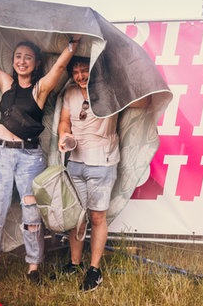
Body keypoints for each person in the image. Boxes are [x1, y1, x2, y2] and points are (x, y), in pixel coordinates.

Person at [0, 16, 80, 287]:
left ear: (36, 64)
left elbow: (60, 66)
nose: (21, 61)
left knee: (32, 214)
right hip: (0, 155)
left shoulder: (40, 89)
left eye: (27, 57)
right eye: (18, 56)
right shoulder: (5, 83)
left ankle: (33, 269)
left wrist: (74, 43)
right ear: (13, 60)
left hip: (30, 158)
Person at [56, 56, 149, 291]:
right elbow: (64, 121)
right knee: (76, 218)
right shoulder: (70, 93)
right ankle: (74, 264)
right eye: (75, 72)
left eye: (84, 70)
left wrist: (124, 75)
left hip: (103, 162)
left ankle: (94, 270)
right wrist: (63, 136)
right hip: (75, 162)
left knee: (97, 217)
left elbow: (145, 102)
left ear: (94, 71)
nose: (80, 76)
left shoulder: (109, 90)